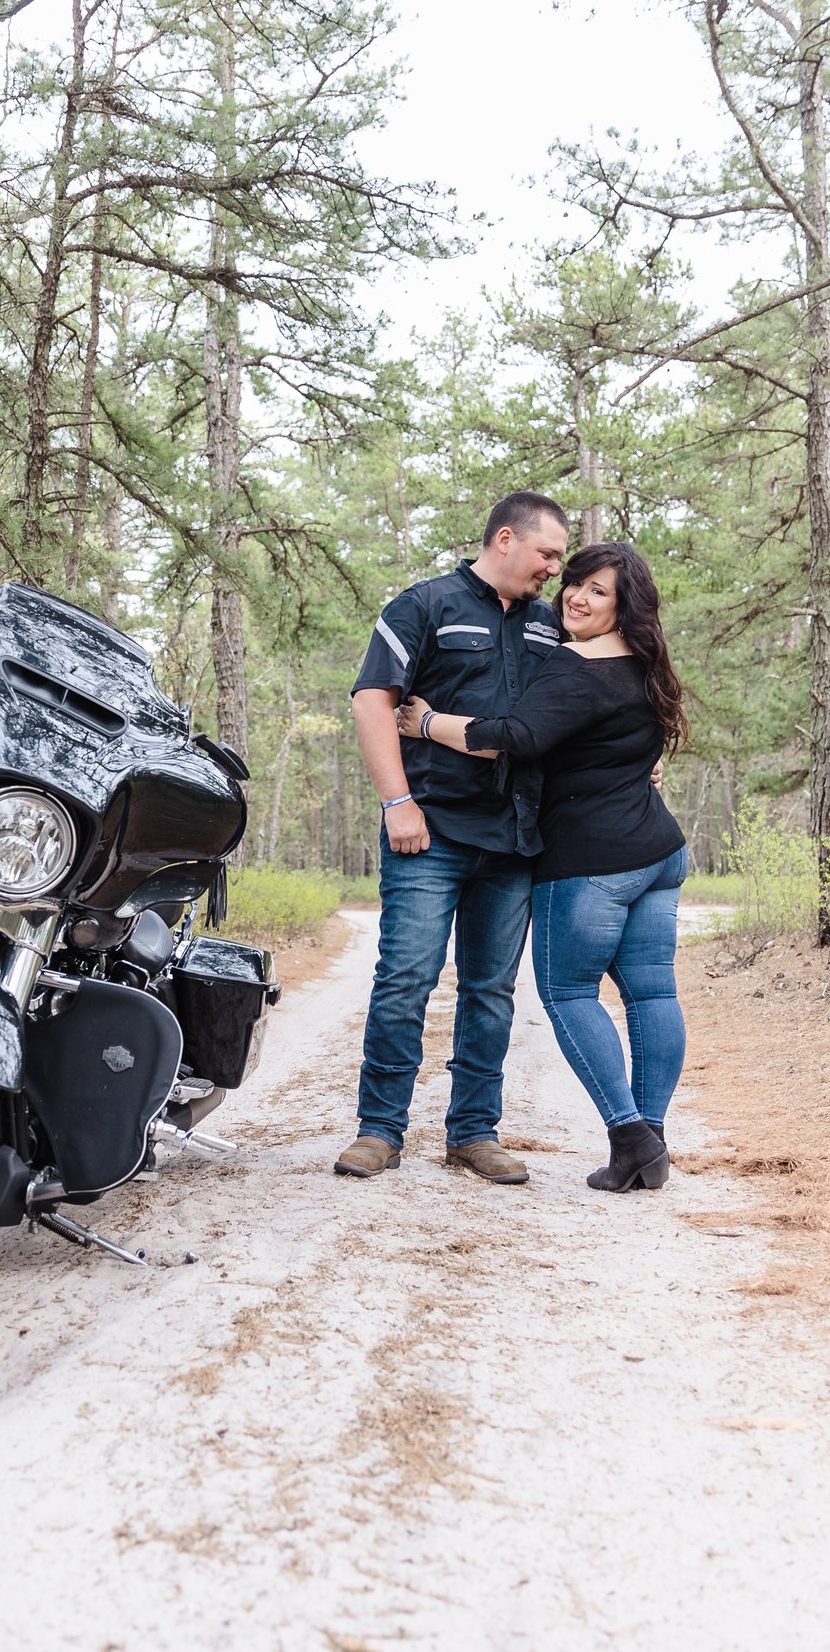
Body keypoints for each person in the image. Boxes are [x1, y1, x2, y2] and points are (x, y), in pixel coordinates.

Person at [395, 541, 691, 1193]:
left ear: (624, 604)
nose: (577, 598)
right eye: (575, 584)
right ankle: (651, 1141)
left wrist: (427, 723)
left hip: (591, 862)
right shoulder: (645, 664)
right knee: (653, 992)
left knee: (568, 993)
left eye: (598, 591)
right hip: (659, 853)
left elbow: (513, 735)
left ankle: (630, 1135)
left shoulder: (572, 664)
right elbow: (628, 747)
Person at [336, 491, 570, 1184]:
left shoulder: (550, 627)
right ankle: (379, 1129)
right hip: (428, 831)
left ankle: (473, 1131)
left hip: (514, 838)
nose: (554, 568)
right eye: (547, 553)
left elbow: (574, 712)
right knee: (406, 978)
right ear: (505, 538)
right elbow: (372, 698)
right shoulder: (426, 604)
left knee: (491, 990)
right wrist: (397, 801)